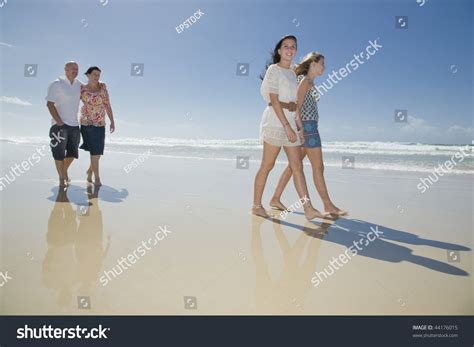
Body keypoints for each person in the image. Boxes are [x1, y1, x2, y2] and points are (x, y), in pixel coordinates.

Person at [252, 35, 328, 220]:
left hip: (292, 121)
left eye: (293, 46)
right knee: (267, 165)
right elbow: (275, 99)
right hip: (275, 121)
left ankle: (308, 209)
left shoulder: (294, 72)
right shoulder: (274, 69)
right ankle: (256, 205)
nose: (290, 49)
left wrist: (299, 128)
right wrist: (286, 126)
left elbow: (297, 103)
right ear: (279, 50)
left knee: (297, 166)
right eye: (286, 46)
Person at [270, 52, 347, 216]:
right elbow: (296, 105)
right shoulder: (305, 81)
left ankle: (275, 198)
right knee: (318, 167)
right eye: (322, 63)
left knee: (293, 166)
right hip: (308, 128)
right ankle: (328, 206)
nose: (324, 67)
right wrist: (301, 129)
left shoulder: (307, 81)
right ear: (313, 64)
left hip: (306, 127)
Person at [46, 61, 82, 186]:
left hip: (74, 125)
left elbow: (91, 93)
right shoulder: (57, 84)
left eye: (77, 69)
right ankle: (61, 179)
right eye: (73, 68)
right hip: (59, 126)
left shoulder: (79, 85)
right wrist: (59, 121)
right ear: (65, 69)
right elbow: (49, 104)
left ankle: (64, 170)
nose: (75, 71)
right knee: (59, 153)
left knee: (73, 153)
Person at [79, 66, 116, 186]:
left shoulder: (103, 88)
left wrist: (112, 121)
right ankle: (97, 178)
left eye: (98, 75)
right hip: (87, 123)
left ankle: (90, 171)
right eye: (94, 74)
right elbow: (72, 101)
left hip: (100, 123)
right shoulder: (82, 89)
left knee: (98, 152)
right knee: (94, 152)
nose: (97, 77)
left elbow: (107, 105)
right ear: (88, 75)